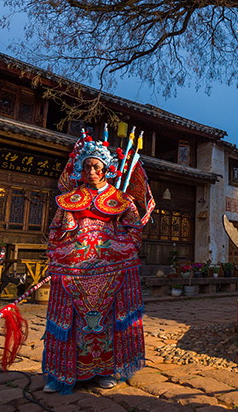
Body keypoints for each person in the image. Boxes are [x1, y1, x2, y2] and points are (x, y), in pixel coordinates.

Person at [42, 131, 154, 394]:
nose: (91, 171)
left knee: (110, 320)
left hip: (111, 270)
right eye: (86, 166)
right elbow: (55, 231)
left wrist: (115, 247)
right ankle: (65, 372)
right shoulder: (69, 200)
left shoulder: (121, 200)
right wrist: (62, 245)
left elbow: (134, 231)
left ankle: (108, 370)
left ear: (106, 169)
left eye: (96, 166)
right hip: (74, 269)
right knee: (72, 322)